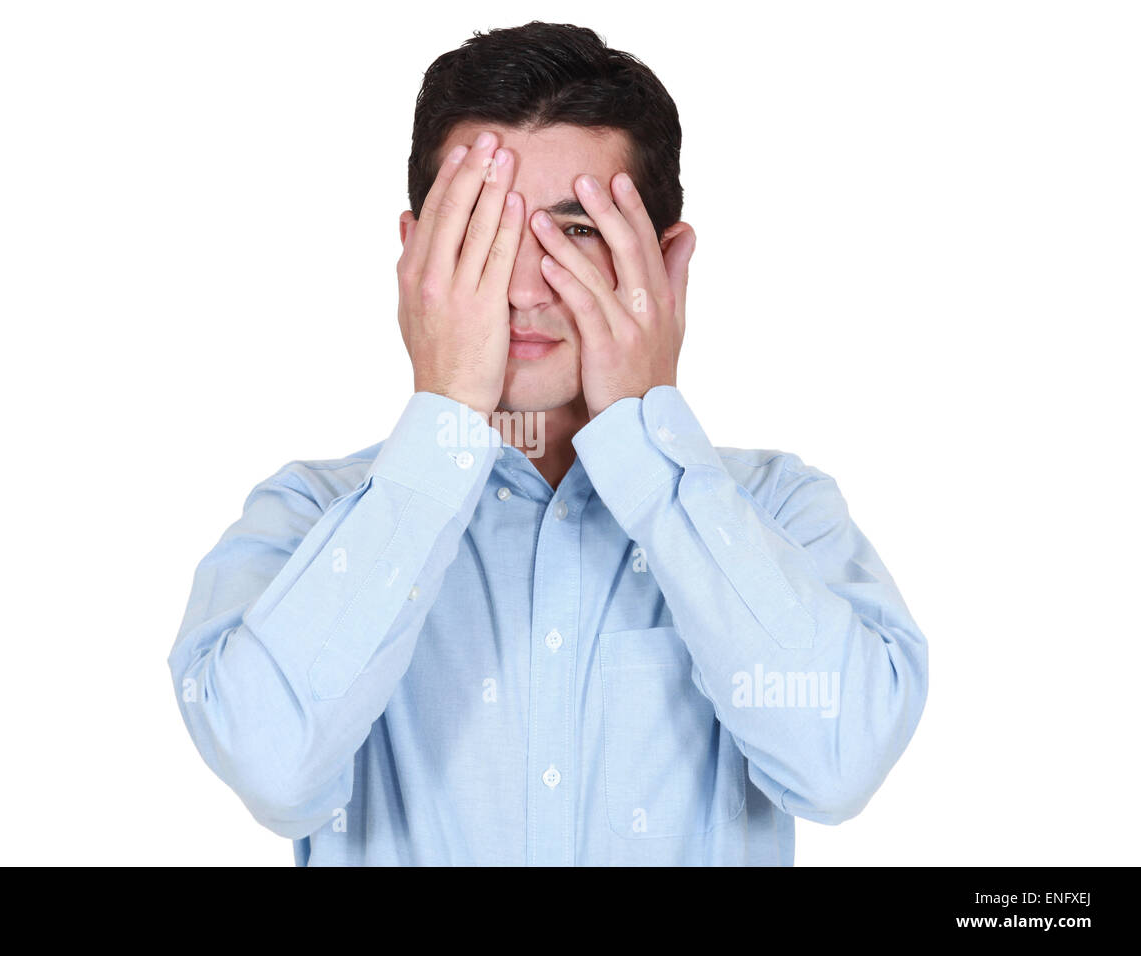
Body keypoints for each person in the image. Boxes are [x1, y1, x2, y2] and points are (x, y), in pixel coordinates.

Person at [167, 21, 928, 866]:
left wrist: (645, 429)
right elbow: (272, 768)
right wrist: (448, 411)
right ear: (417, 257)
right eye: (483, 234)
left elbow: (839, 766)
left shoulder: (778, 512)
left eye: (577, 232)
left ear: (666, 263)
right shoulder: (311, 518)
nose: (525, 291)